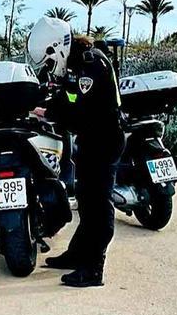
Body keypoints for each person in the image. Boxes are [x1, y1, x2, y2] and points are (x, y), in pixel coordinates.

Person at [27, 16, 124, 287]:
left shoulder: (91, 64)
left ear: (56, 47)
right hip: (92, 140)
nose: (49, 66)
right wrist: (46, 107)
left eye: (48, 60)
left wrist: (51, 114)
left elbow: (82, 111)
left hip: (104, 142)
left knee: (98, 207)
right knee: (86, 200)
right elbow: (67, 98)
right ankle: (77, 254)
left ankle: (94, 268)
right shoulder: (78, 64)